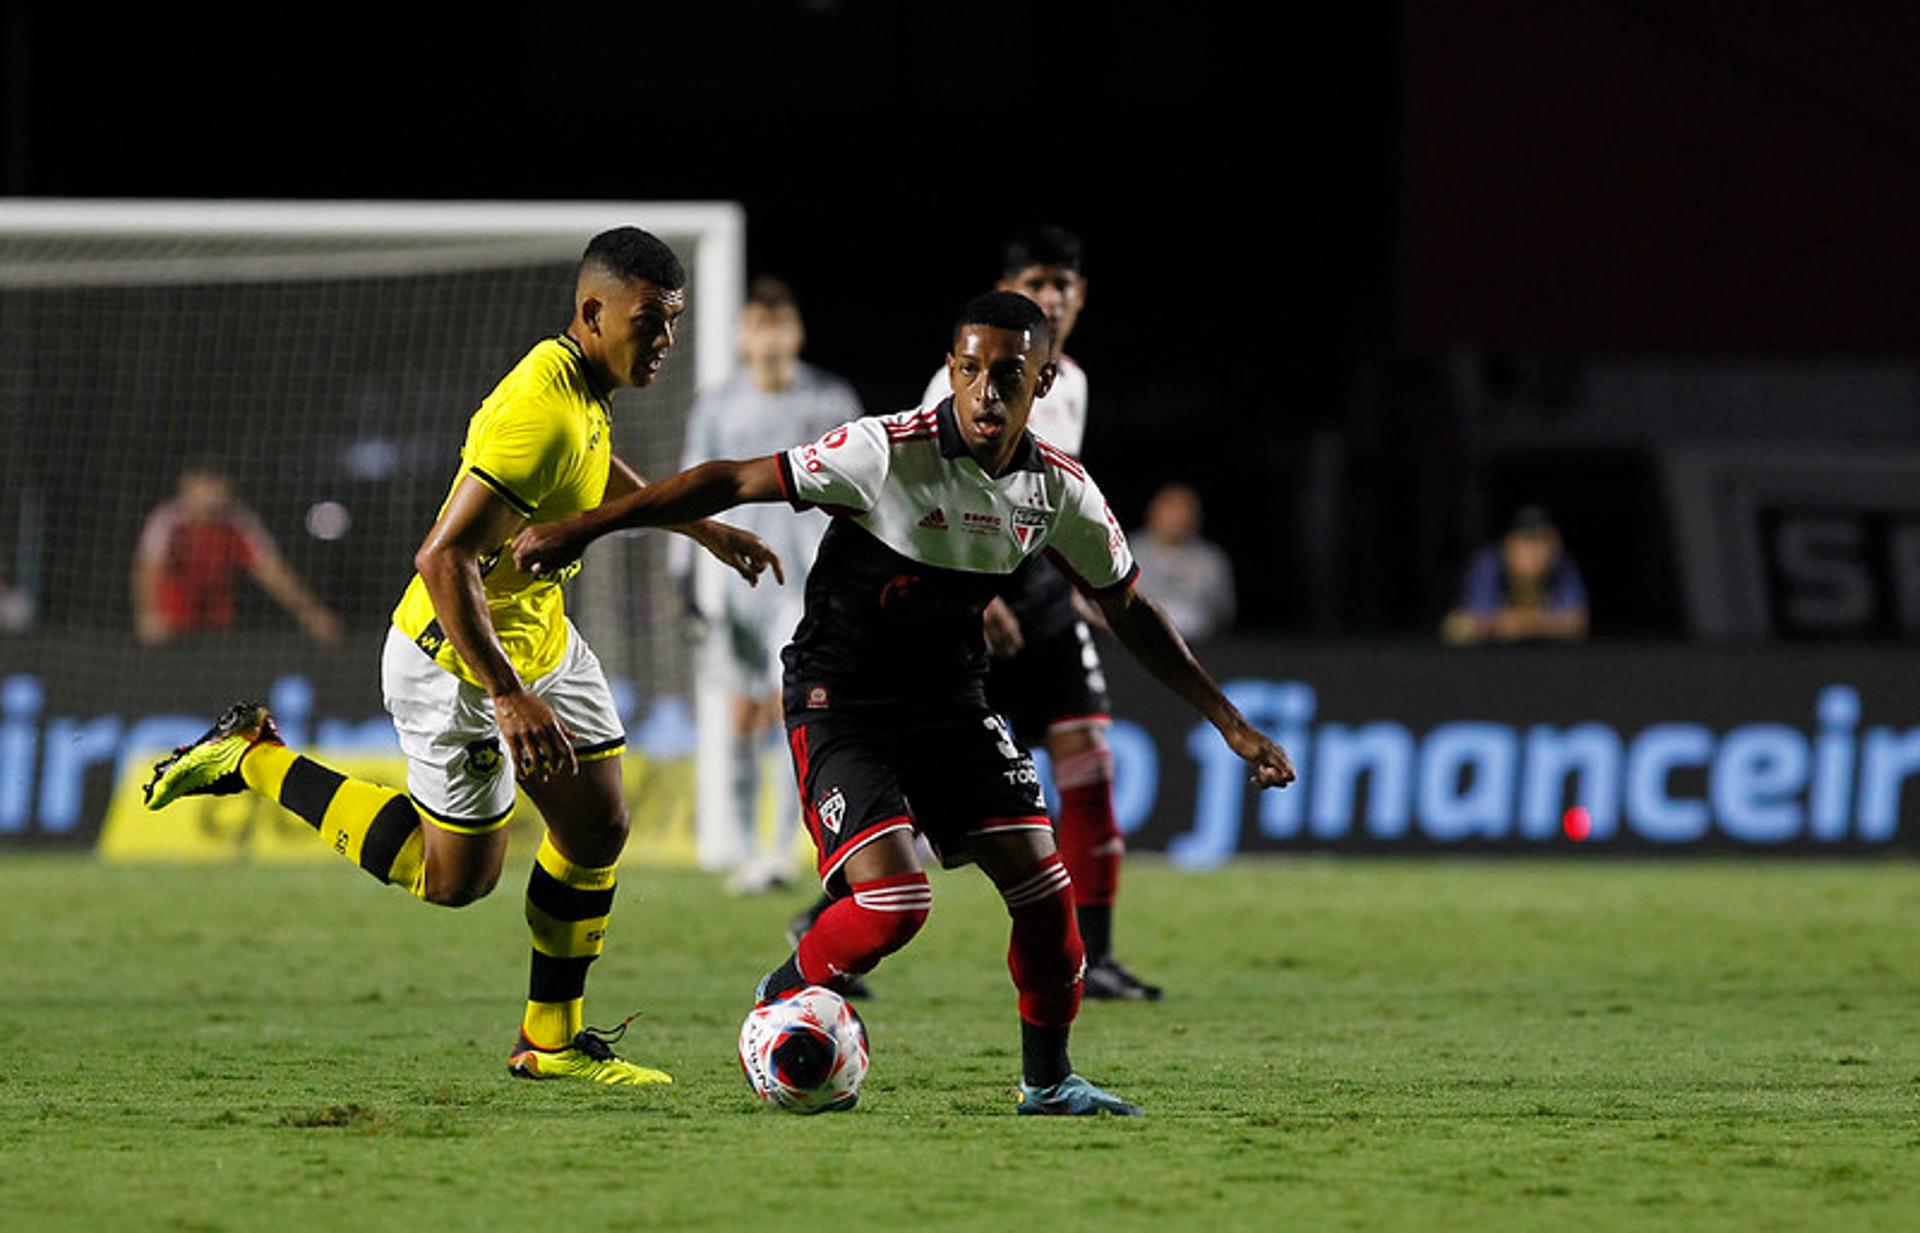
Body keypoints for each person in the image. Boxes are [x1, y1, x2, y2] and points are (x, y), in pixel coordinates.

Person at [514, 292, 1295, 1115]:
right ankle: (778, 997)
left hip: (952, 704)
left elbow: (1132, 610)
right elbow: (734, 478)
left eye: (1008, 375)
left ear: (1045, 381)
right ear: (951, 370)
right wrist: (583, 529)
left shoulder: (1059, 491)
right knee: (896, 901)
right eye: (970, 371)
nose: (985, 392)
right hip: (841, 699)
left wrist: (1231, 723)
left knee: (1043, 882)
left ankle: (1048, 1080)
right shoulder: (884, 450)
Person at [143, 227, 781, 1086]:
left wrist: (699, 525)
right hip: (457, 657)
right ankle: (254, 756)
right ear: (592, 312)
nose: (664, 340)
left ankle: (549, 1040)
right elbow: (441, 561)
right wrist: (509, 695)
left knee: (599, 825)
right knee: (454, 880)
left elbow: (594, 467)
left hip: (536, 634)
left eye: (672, 321)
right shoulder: (538, 409)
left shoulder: (581, 386)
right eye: (649, 321)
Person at [792, 224, 1163, 1000]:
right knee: (940, 774)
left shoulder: (1076, 384)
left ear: (1080, 297)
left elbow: (1047, 498)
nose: (1053, 294)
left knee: (1088, 760)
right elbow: (942, 499)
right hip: (965, 596)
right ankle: (834, 915)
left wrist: (1081, 582)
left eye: (1064, 283)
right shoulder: (951, 385)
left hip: (1038, 592)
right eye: (1038, 281)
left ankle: (1095, 956)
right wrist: (981, 601)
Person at [675, 278, 862, 894]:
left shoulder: (831, 398)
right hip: (733, 584)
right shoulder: (718, 404)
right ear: (741, 335)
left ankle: (779, 851)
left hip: (802, 583)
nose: (770, 338)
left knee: (791, 709)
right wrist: (685, 576)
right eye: (759, 326)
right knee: (738, 717)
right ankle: (742, 849)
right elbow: (690, 487)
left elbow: (865, 489)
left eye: (780, 326)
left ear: (797, 334)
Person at [132, 468, 342, 646]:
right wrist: (148, 613)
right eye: (204, 484)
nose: (211, 493)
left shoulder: (238, 522)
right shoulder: (168, 520)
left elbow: (271, 572)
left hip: (218, 629)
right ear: (187, 486)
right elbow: (148, 569)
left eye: (216, 484)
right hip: (171, 630)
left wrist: (311, 613)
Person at [1441, 505, 1589, 644]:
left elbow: (1577, 623)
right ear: (1510, 544)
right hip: (1491, 659)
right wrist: (1546, 623)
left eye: (1541, 542)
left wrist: (1522, 624)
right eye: (1527, 542)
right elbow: (1474, 620)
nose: (1534, 553)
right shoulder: (1489, 564)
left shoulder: (1562, 566)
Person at [1129, 483, 1236, 642]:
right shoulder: (1128, 552)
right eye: (1170, 508)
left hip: (1202, 646)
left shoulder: (1210, 558)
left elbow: (1223, 612)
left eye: (1185, 509)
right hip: (1137, 645)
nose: (1177, 516)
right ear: (1153, 512)